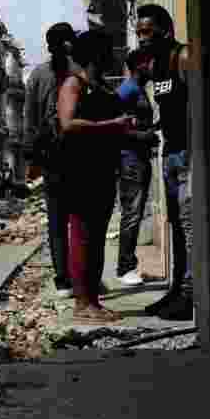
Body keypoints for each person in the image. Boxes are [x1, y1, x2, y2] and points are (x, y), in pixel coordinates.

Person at [56, 28, 135, 323]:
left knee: (97, 238)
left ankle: (93, 300)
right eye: (107, 51)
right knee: (82, 236)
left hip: (103, 170)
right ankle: (82, 304)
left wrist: (133, 133)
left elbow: (111, 126)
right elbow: (68, 123)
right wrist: (112, 124)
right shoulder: (73, 84)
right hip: (79, 171)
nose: (112, 56)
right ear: (95, 54)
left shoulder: (100, 87)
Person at [136, 3, 196, 321]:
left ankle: (190, 296)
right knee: (176, 226)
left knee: (189, 226)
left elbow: (196, 106)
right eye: (138, 33)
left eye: (147, 31)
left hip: (187, 155)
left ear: (165, 30)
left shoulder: (180, 57)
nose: (141, 38)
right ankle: (175, 290)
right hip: (169, 156)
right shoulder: (156, 64)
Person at [24, 22, 78, 298]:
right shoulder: (79, 71)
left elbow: (30, 122)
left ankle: (63, 278)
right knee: (78, 218)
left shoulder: (37, 75)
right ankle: (75, 275)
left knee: (58, 220)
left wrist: (32, 158)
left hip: (52, 155)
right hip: (74, 154)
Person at [115, 49, 160, 287]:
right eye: (150, 62)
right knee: (131, 215)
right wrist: (145, 137)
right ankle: (125, 268)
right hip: (130, 161)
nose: (154, 66)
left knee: (135, 213)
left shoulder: (138, 89)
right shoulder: (127, 90)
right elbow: (117, 129)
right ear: (140, 65)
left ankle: (128, 265)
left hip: (138, 159)